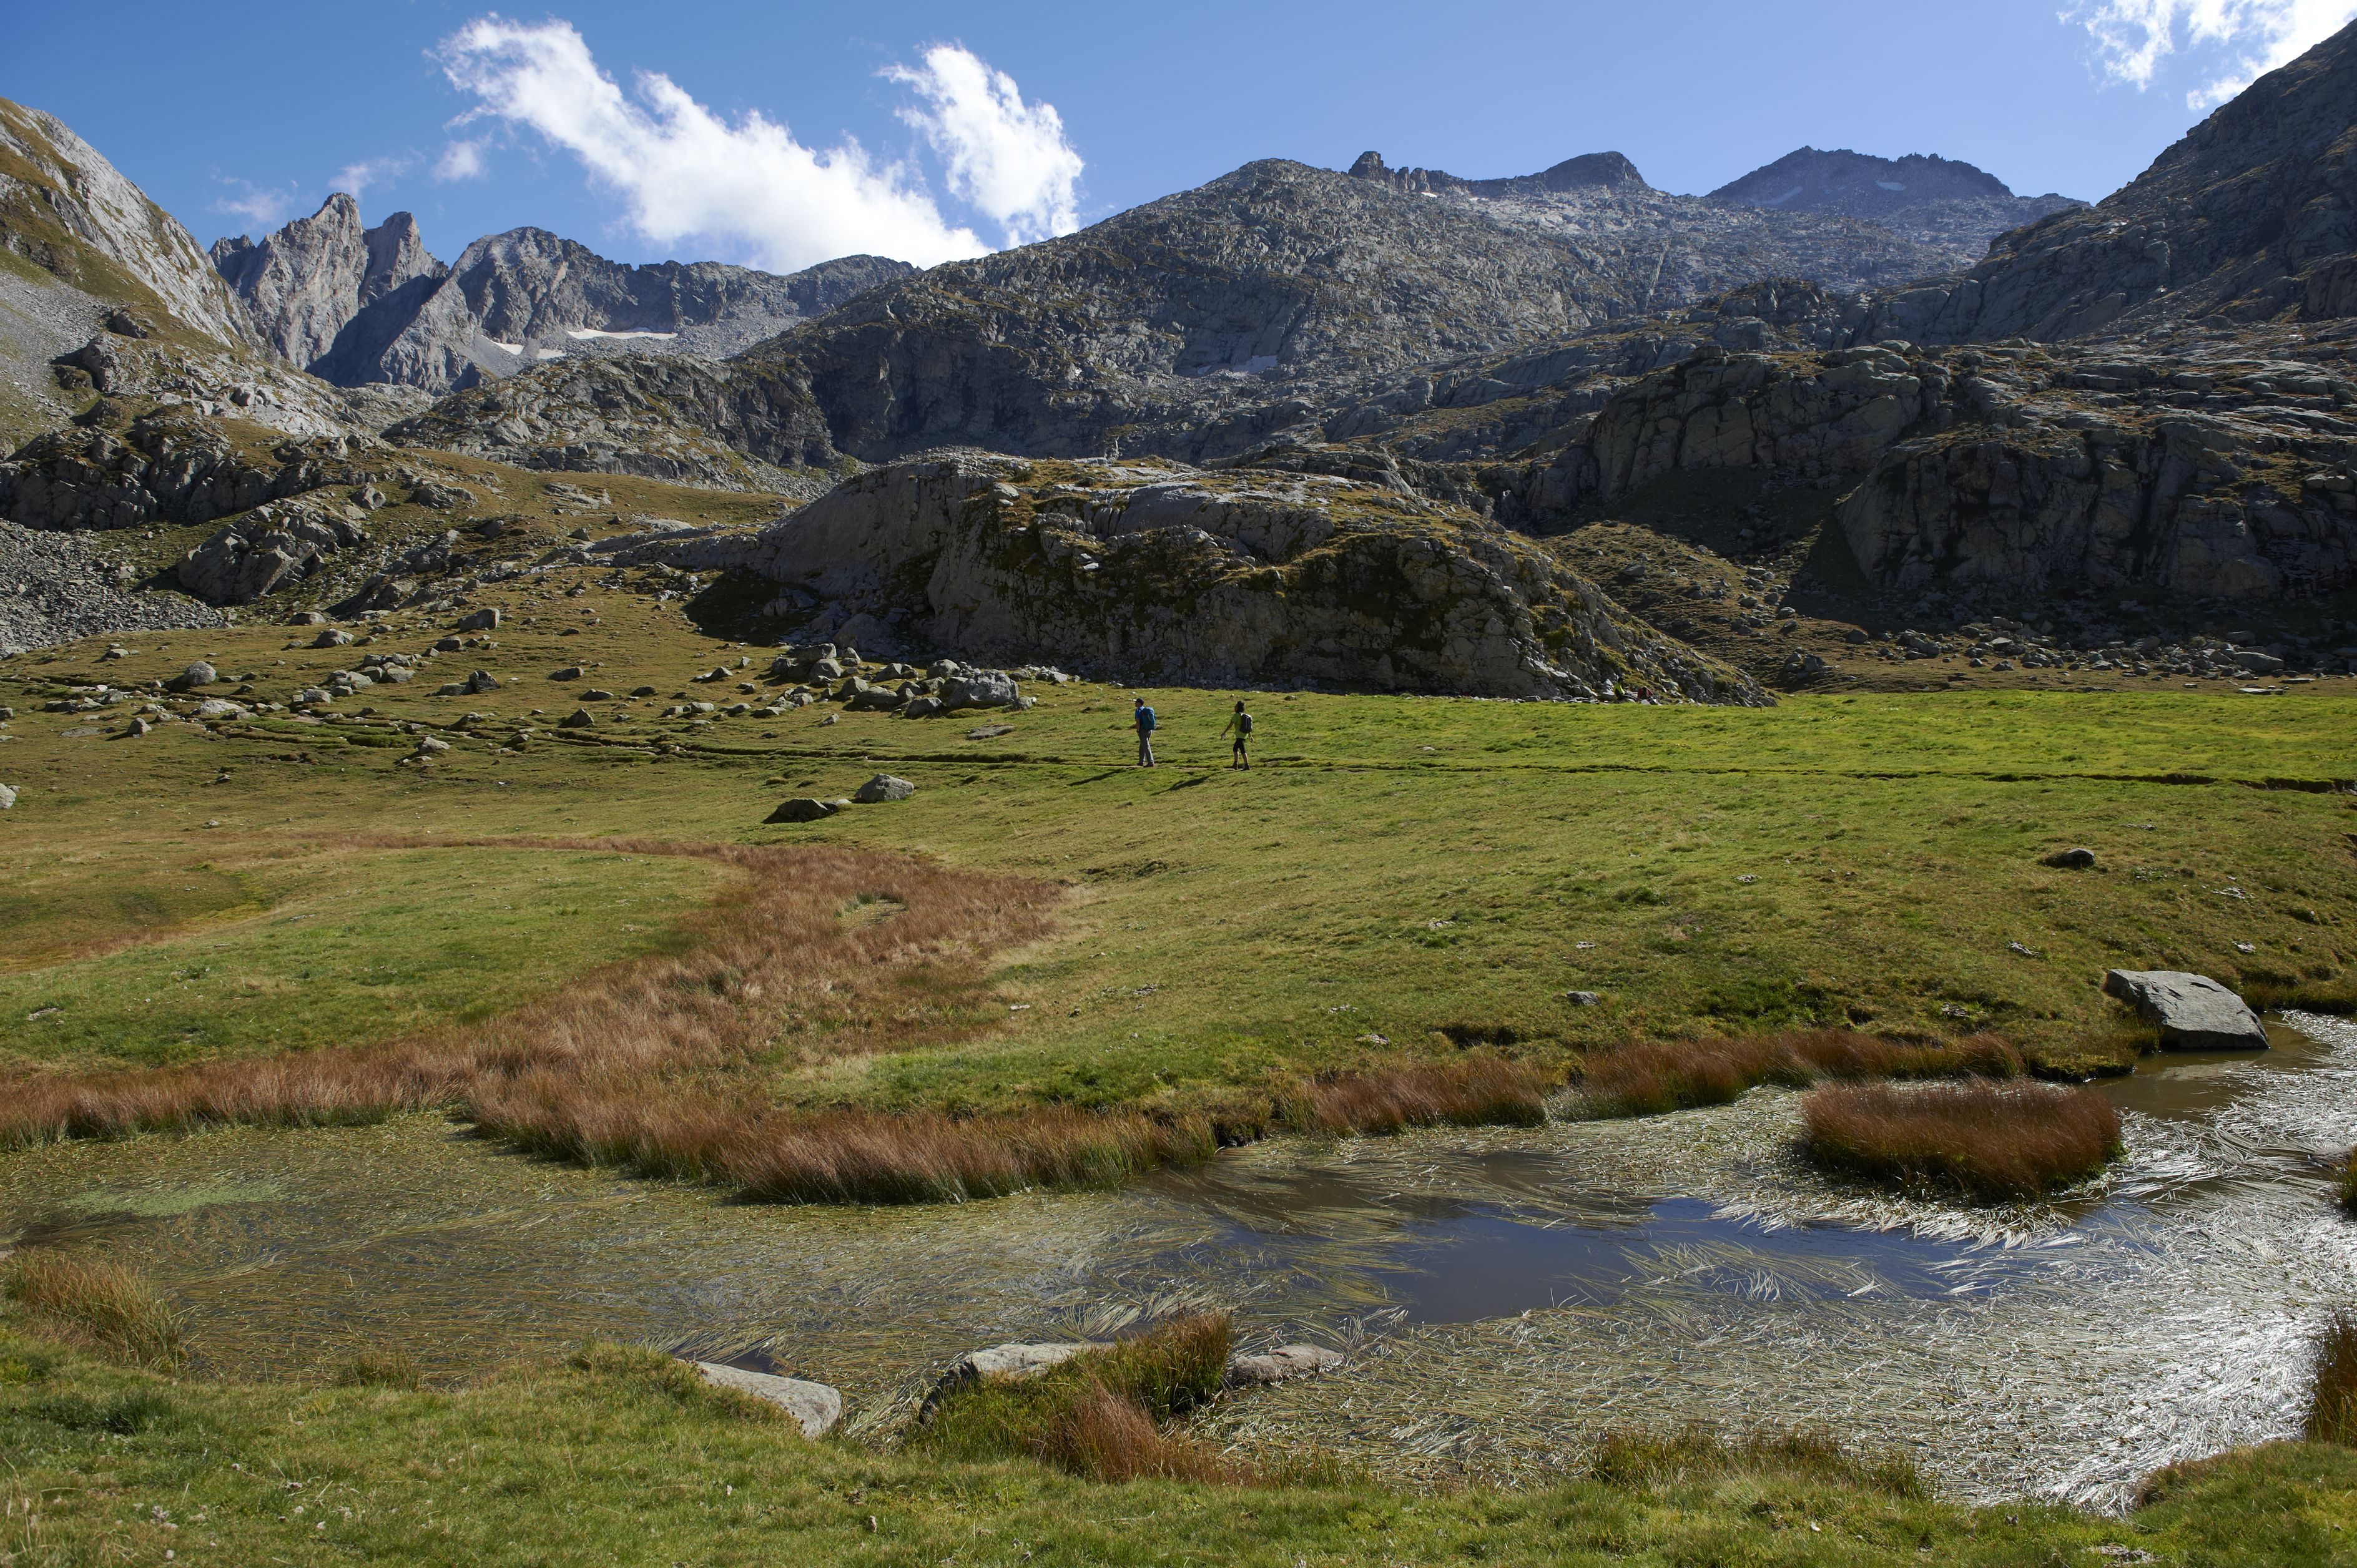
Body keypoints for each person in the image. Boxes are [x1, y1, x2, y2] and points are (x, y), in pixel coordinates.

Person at [1221, 698, 1253, 769]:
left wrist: (1224, 732)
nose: (1234, 707)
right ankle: (1236, 764)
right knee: (1235, 748)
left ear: (1238, 708)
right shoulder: (1244, 715)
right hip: (1244, 735)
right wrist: (1250, 736)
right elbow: (1249, 728)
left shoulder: (1236, 716)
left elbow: (1230, 725)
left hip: (1239, 736)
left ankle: (1246, 765)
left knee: (1242, 750)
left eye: (1236, 706)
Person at [1133, 696, 1158, 767]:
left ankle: (1150, 762)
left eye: (1136, 702)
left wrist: (1138, 730)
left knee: (1146, 746)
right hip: (1149, 730)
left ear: (1139, 703)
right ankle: (1141, 761)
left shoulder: (1138, 710)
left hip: (1143, 730)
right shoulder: (1145, 710)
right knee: (1142, 745)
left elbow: (1138, 722)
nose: (1135, 703)